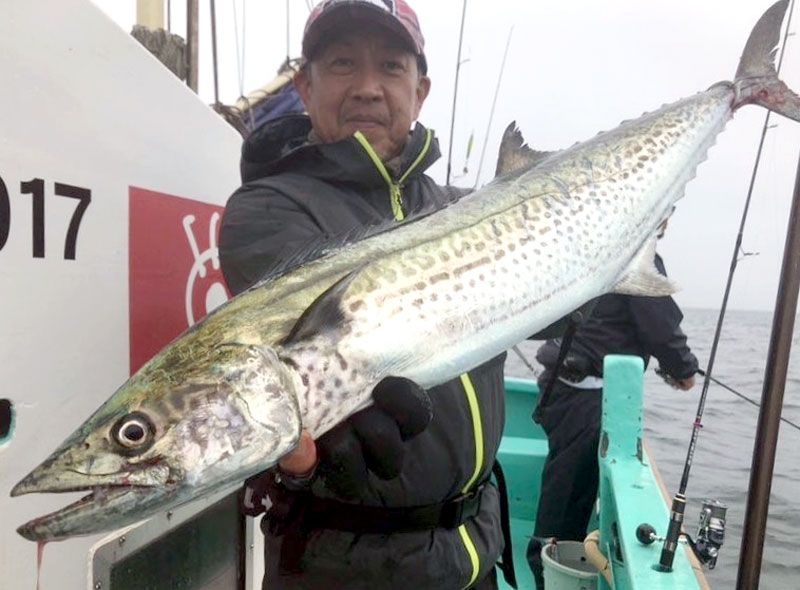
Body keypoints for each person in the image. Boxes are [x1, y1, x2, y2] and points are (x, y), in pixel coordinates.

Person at [218, 1, 510, 588]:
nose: (369, 88)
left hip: (475, 549)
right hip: (345, 565)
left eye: (392, 67)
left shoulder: (465, 208)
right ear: (305, 85)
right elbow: (325, 353)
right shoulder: (270, 209)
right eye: (343, 63)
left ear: (421, 90)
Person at [526, 218, 699, 589]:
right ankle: (548, 570)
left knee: (565, 485)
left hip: (558, 387)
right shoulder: (636, 256)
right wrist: (684, 370)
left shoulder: (594, 248)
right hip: (585, 397)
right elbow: (660, 326)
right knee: (568, 495)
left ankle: (551, 561)